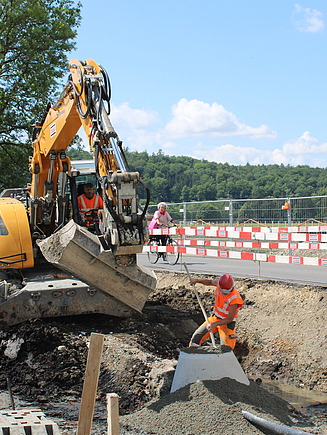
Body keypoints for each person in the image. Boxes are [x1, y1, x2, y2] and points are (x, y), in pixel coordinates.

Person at [189, 273, 243, 350]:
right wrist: (196, 281)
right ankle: (192, 353)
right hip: (215, 318)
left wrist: (214, 324)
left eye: (226, 292)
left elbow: (229, 318)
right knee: (197, 336)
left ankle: (224, 361)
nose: (224, 293)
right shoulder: (219, 284)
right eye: (222, 291)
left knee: (227, 349)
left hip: (226, 324)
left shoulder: (234, 298)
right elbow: (210, 282)